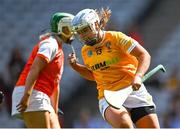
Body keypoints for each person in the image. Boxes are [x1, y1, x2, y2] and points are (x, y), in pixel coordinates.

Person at [68, 8, 160, 128]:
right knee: (124, 124)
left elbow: (144, 55)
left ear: (96, 24)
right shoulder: (85, 51)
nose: (83, 35)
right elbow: (95, 75)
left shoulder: (116, 38)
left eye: (85, 30)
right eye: (79, 32)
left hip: (134, 91)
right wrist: (75, 66)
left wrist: (138, 76)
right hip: (108, 97)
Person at [11, 12, 74, 128]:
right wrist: (27, 95)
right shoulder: (51, 44)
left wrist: (54, 111)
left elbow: (55, 84)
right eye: (70, 28)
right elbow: (35, 68)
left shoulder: (58, 49)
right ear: (61, 28)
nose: (73, 32)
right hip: (33, 93)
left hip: (41, 96)